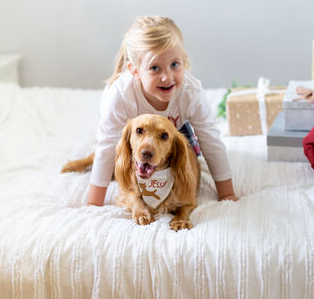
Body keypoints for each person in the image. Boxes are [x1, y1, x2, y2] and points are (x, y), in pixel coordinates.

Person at [87, 15, 238, 206]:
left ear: (184, 61)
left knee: (183, 157)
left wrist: (227, 194)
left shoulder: (190, 92)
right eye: (155, 68)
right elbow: (107, 146)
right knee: (120, 162)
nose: (167, 77)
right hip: (133, 137)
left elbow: (211, 141)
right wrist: (94, 204)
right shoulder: (120, 95)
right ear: (134, 71)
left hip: (175, 131)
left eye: (175, 65)